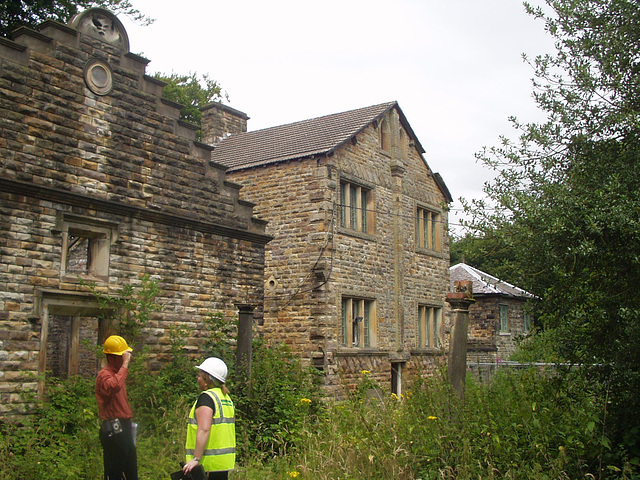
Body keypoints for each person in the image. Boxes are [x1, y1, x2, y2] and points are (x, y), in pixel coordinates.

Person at [183, 357, 236, 480]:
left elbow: (204, 429)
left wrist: (196, 458)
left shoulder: (206, 398)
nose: (197, 378)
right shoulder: (225, 397)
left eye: (200, 376)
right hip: (222, 463)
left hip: (207, 464)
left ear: (208, 380)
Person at [95, 335, 138, 480]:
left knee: (130, 470)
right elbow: (113, 386)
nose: (125, 359)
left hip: (124, 427)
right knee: (115, 472)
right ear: (111, 358)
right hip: (114, 430)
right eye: (122, 356)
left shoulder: (118, 374)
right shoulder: (104, 375)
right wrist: (125, 365)